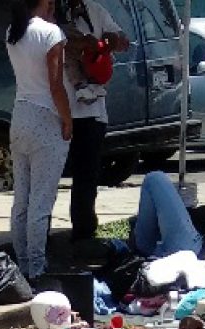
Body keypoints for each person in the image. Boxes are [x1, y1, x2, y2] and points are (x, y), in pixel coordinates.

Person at [7, 0, 72, 284]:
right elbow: (55, 84)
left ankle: (22, 264)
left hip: (20, 114)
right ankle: (37, 267)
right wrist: (68, 119)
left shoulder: (13, 31)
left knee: (21, 199)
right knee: (41, 201)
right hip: (46, 117)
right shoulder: (51, 33)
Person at [57, 0, 129, 243]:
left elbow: (122, 38)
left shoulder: (95, 11)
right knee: (48, 178)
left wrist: (113, 39)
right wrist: (83, 42)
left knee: (87, 178)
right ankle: (39, 235)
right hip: (59, 109)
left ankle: (84, 233)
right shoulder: (52, 15)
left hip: (92, 112)